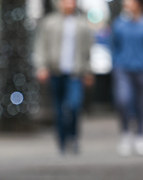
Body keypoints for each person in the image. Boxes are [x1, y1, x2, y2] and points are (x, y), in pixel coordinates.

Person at [35, 0, 94, 155]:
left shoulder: (82, 24)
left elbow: (88, 49)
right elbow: (42, 45)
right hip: (56, 71)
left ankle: (73, 136)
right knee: (59, 108)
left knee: (74, 106)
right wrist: (42, 66)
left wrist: (88, 70)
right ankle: (62, 141)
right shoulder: (50, 23)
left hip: (76, 72)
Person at [111, 0, 143, 157]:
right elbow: (113, 45)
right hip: (123, 70)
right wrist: (115, 64)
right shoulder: (119, 24)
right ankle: (125, 133)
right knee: (123, 100)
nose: (126, 3)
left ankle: (140, 135)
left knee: (141, 103)